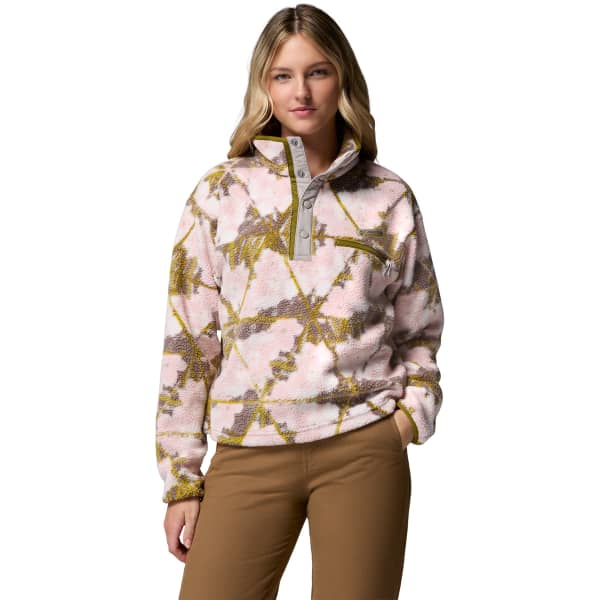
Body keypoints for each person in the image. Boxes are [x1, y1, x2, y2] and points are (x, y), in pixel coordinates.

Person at [155, 4, 444, 599]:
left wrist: (408, 418)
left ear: (343, 79)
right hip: (248, 448)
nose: (301, 92)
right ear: (263, 84)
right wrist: (182, 477)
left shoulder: (388, 196)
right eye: (282, 75)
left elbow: (420, 326)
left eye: (317, 72)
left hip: (362, 446)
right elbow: (189, 338)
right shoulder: (220, 193)